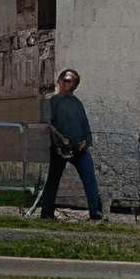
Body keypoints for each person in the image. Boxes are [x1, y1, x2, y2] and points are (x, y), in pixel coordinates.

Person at [32, 68, 100, 220]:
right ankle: (47, 213)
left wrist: (86, 142)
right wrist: (59, 141)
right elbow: (47, 125)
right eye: (67, 80)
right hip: (59, 150)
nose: (69, 84)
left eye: (73, 81)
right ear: (60, 81)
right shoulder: (52, 102)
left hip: (80, 150)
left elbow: (85, 125)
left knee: (90, 179)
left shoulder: (77, 103)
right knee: (53, 180)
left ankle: (96, 213)